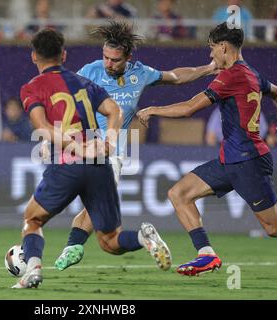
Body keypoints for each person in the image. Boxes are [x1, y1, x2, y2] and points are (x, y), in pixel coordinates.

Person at [137, 22, 277, 277]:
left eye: (212, 49)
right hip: (229, 160)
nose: (210, 55)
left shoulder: (231, 76)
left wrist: (153, 109)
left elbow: (189, 108)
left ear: (223, 47)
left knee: (275, 228)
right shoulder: (251, 73)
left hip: (248, 161)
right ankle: (206, 255)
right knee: (179, 193)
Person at [12, 28, 172, 289]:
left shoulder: (32, 87)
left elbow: (42, 127)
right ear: (63, 55)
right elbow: (114, 111)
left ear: (33, 56)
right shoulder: (82, 82)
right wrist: (108, 141)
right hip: (100, 166)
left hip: (67, 165)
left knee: (33, 219)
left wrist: (77, 148)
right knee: (110, 240)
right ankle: (143, 238)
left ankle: (33, 270)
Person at [54, 20, 218, 272]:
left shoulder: (140, 73)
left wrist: (208, 68)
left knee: (95, 212)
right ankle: (83, 244)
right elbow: (63, 94)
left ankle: (73, 246)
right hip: (84, 150)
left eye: (115, 60)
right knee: (106, 237)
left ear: (128, 57)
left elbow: (175, 77)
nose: (108, 64)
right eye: (106, 57)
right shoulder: (91, 71)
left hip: (111, 155)